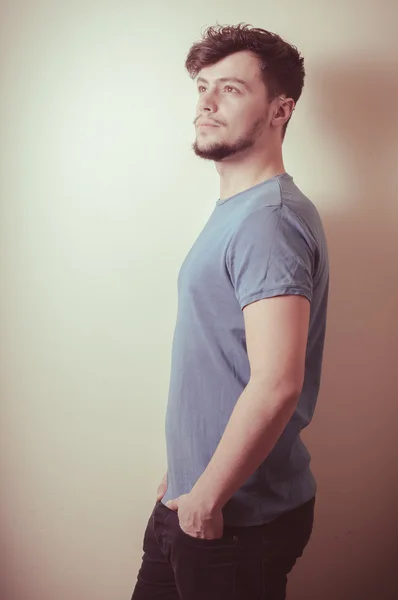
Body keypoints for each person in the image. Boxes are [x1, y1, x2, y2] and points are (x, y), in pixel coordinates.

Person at [131, 23, 329, 600]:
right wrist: (186, 475)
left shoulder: (269, 219)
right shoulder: (241, 211)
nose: (207, 103)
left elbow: (275, 383)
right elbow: (220, 358)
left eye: (232, 89)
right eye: (202, 87)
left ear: (280, 110)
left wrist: (208, 495)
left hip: (234, 520)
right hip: (200, 500)